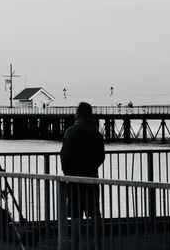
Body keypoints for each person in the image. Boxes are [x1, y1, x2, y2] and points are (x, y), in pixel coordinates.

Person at [60, 102, 105, 249]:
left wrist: (67, 174)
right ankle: (98, 243)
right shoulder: (96, 133)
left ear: (78, 113)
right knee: (94, 212)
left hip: (74, 178)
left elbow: (64, 155)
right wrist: (93, 168)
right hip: (92, 176)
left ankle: (76, 244)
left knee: (76, 213)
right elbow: (101, 156)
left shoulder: (71, 131)